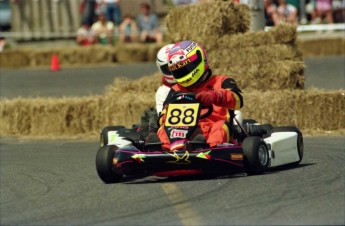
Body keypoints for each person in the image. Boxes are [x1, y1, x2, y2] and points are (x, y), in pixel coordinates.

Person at [155, 40, 244, 151]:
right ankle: (158, 150)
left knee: (220, 128)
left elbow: (239, 100)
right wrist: (166, 113)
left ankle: (205, 149)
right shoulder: (176, 89)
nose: (183, 73)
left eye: (185, 69)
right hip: (181, 131)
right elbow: (162, 116)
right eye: (179, 71)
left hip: (213, 125)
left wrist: (215, 96)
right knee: (163, 129)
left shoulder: (221, 81)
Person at [155, 44, 177, 115]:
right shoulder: (163, 92)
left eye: (176, 66)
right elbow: (161, 118)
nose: (173, 70)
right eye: (169, 68)